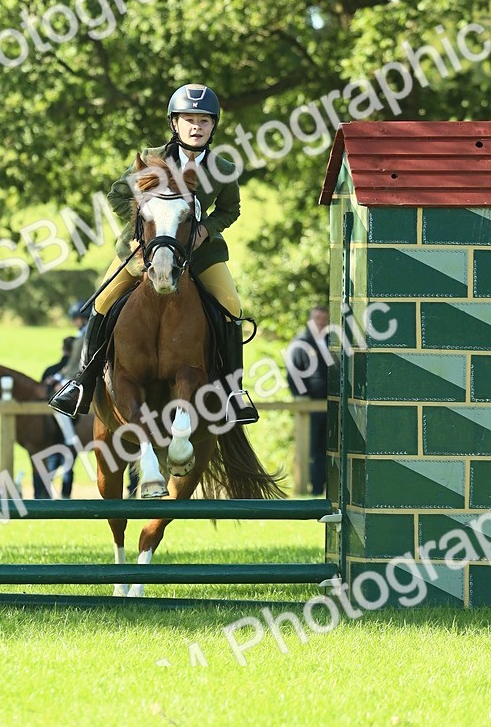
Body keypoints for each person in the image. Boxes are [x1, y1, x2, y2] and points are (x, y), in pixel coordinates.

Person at [50, 83, 243, 417]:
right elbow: (116, 196)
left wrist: (205, 231)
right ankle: (81, 382)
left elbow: (230, 210)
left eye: (204, 121)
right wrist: (146, 226)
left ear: (214, 126)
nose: (196, 126)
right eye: (189, 119)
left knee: (232, 306)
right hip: (144, 249)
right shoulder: (152, 159)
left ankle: (233, 392)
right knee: (101, 302)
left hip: (201, 254)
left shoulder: (223, 169)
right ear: (175, 124)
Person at [286, 306, 329, 495]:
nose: (319, 323)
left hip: (330, 405)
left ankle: (320, 489)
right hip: (309, 405)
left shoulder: (333, 342)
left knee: (325, 449)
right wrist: (303, 398)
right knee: (308, 449)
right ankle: (305, 488)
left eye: (323, 319)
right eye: (316, 319)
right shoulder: (300, 344)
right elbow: (292, 373)